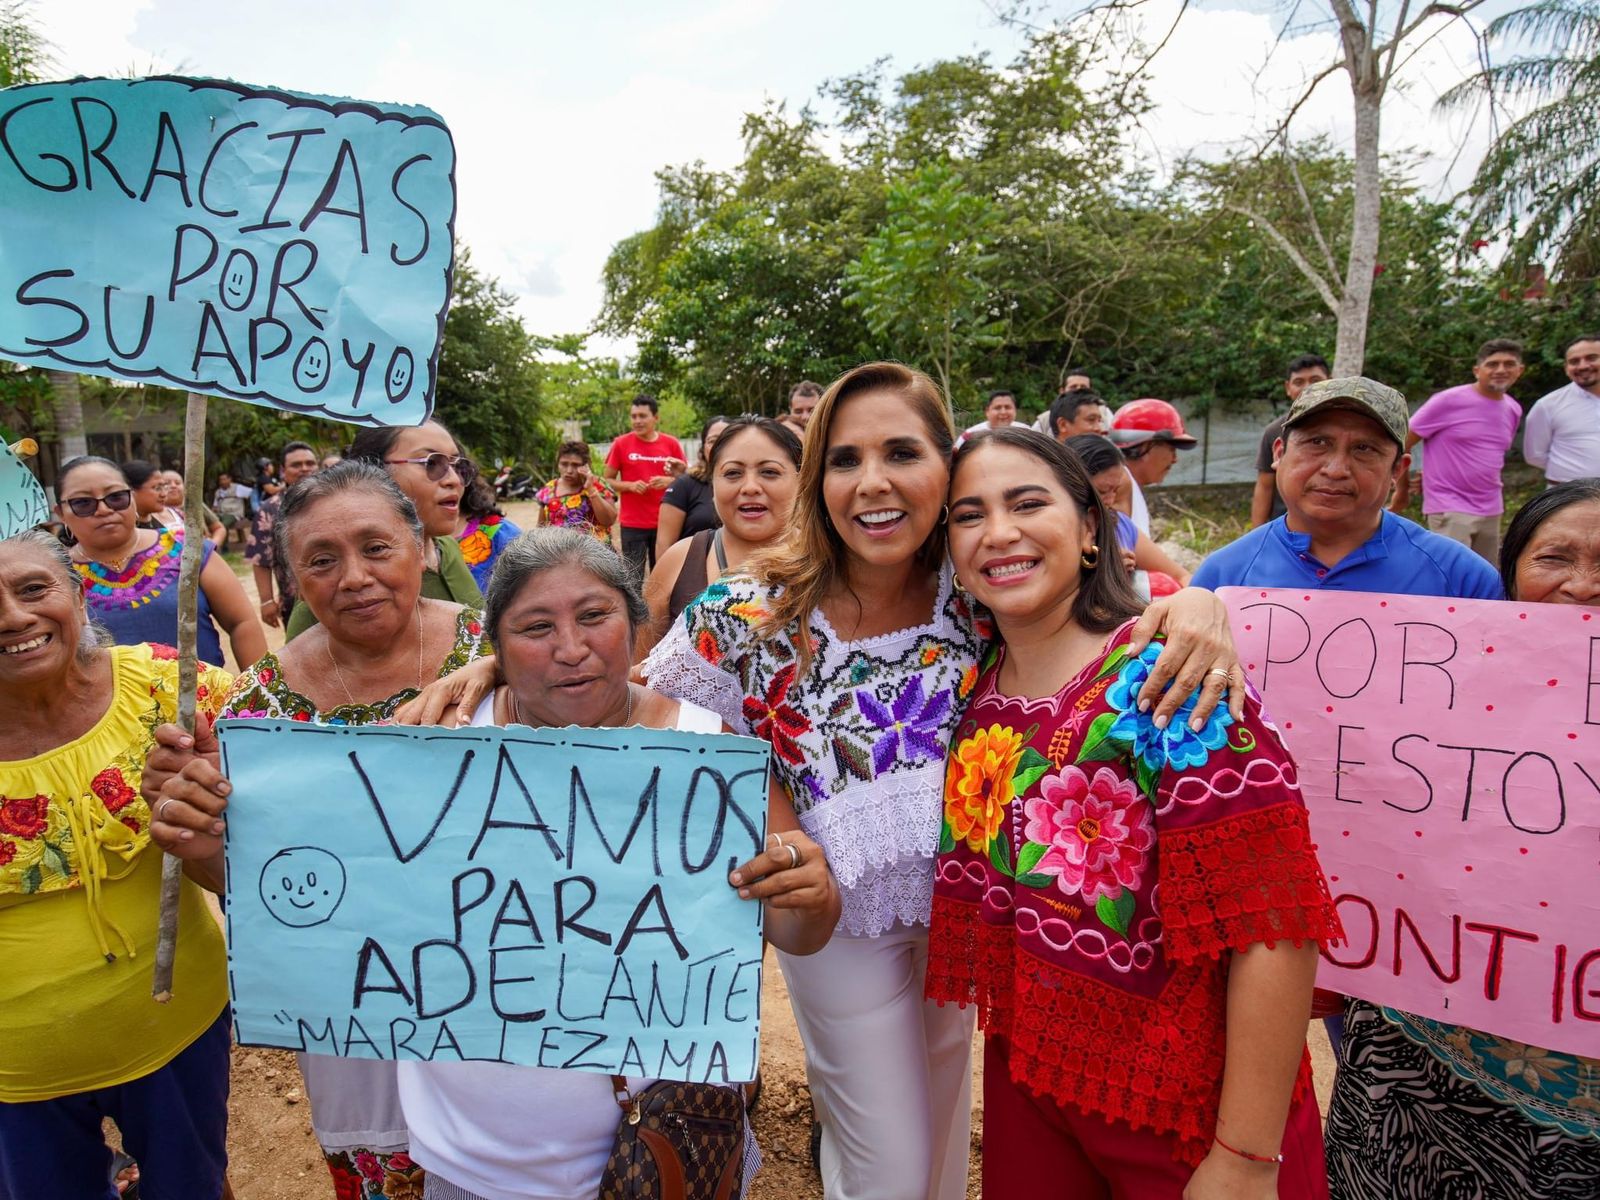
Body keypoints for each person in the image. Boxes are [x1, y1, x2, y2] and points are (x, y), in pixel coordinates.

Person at [641, 362, 1252, 1200]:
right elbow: (657, 711)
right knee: (885, 1163)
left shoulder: (980, 590)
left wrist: (1200, 604)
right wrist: (491, 662)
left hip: (976, 915)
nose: (874, 483)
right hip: (838, 925)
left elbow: (1135, 591)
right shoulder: (748, 612)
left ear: (947, 466)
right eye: (845, 460)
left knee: (933, 1135)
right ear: (817, 479)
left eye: (902, 452)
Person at [928, 428, 1341, 1199]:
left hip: (1191, 1107)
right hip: (1031, 1085)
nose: (1000, 532)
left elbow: (1274, 922)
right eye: (968, 514)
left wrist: (1245, 1158)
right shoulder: (970, 683)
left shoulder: (1171, 678)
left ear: (1092, 528)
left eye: (1027, 503)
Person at [362, 527, 835, 1200]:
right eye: (534, 626)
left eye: (594, 616)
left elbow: (798, 932)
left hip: (668, 1151)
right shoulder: (434, 746)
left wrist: (809, 898)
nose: (571, 648)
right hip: (473, 1164)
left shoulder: (708, 753)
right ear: (494, 645)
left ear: (635, 626)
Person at [146, 462, 495, 1200]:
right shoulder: (258, 708)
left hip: (500, 987)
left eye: (376, 548)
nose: (355, 577)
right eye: (322, 560)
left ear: (421, 550)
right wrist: (198, 834)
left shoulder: (501, 655)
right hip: (352, 1004)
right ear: (292, 581)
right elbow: (244, 883)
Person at [1323, 478, 1600, 1199]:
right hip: (1415, 1061)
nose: (1581, 587)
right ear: (1510, 578)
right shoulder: (1439, 691)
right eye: (1554, 559)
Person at [0, 529, 234, 1200]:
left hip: (177, 1031)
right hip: (13, 1075)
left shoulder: (170, 690)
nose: (13, 617)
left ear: (77, 594)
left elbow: (290, 804)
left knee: (194, 1186)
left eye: (34, 588)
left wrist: (218, 797)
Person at [1193, 378, 1503, 600]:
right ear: (1278, 454)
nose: (1336, 469)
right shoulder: (1222, 579)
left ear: (1397, 469)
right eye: (1318, 443)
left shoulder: (1464, 579)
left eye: (1364, 449)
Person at [55, 456, 265, 670]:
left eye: (116, 497)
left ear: (133, 499)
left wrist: (258, 695)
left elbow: (242, 623)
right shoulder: (56, 575)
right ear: (61, 513)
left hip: (202, 700)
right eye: (83, 503)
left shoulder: (186, 549)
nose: (104, 510)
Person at [285, 421, 483, 639]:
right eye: (432, 463)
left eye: (458, 466)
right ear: (374, 474)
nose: (454, 480)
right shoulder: (331, 593)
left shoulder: (449, 549)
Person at [639, 415, 803, 661]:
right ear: (712, 484)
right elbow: (636, 674)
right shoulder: (678, 561)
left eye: (769, 472)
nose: (750, 487)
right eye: (733, 473)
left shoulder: (830, 559)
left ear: (801, 480)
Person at [1391, 338, 1525, 561]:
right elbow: (1402, 442)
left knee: (1487, 580)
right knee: (1450, 580)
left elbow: (1487, 455)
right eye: (1492, 364)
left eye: (1509, 364)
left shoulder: (1513, 408)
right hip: (1450, 507)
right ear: (1477, 370)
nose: (1501, 370)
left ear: (1519, 370)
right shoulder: (1448, 401)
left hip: (1492, 508)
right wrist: (1402, 490)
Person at [1064, 434, 1191, 592]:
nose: (1110, 500)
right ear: (1069, 485)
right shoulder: (1054, 535)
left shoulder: (1120, 526)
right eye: (1102, 492)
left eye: (1115, 490)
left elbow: (1182, 576)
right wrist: (1103, 572)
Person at [603, 394, 686, 574]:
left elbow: (687, 478)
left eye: (642, 416)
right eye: (634, 416)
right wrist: (630, 486)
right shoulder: (621, 444)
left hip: (666, 522)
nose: (637, 421)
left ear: (655, 418)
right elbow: (606, 480)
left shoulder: (671, 443)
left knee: (664, 574)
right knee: (633, 576)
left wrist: (669, 481)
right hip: (633, 523)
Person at [1250, 354, 1331, 527]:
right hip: (1287, 531)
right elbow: (1265, 486)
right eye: (1299, 382)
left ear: (1330, 382)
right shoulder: (1274, 432)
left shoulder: (1348, 428)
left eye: (1315, 380)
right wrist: (1256, 539)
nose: (1308, 388)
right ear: (1288, 388)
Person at [245, 441, 319, 630]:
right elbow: (260, 558)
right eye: (296, 465)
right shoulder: (269, 509)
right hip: (293, 604)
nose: (304, 469)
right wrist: (266, 600)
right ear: (283, 471)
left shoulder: (336, 501)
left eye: (310, 463)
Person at [1109, 398, 1197, 535]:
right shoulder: (1117, 491)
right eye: (1171, 449)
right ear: (1145, 446)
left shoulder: (1129, 488)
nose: (1175, 459)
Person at [1523, 333, 1600, 485]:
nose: (1583, 366)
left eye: (1592, 358)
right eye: (1574, 361)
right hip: (1568, 498)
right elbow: (1534, 455)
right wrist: (1571, 472)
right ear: (1566, 368)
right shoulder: (1548, 405)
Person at [656, 413, 730, 561]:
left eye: (727, 440)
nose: (719, 446)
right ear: (703, 448)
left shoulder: (749, 486)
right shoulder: (684, 486)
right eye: (712, 441)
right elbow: (664, 546)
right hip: (695, 576)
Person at [533, 440, 619, 541]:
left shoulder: (598, 485)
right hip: (559, 553)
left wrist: (591, 490)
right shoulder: (549, 490)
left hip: (594, 553)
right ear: (558, 464)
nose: (569, 470)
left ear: (586, 465)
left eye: (575, 465)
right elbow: (541, 528)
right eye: (564, 464)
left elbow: (609, 520)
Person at [454, 468, 522, 593]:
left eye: (456, 468)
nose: (450, 478)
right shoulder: (412, 538)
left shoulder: (501, 533)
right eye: (430, 465)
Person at [160, 469, 227, 544]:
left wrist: (213, 546)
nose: (173, 486)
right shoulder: (156, 512)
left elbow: (219, 528)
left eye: (178, 483)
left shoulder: (194, 504)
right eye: (167, 483)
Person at [213, 470, 252, 544]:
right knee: (212, 522)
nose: (222, 482)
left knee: (223, 525)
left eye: (224, 479)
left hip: (233, 514)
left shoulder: (237, 488)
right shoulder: (218, 492)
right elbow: (215, 506)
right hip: (221, 513)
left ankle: (224, 547)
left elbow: (252, 493)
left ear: (229, 479)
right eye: (221, 480)